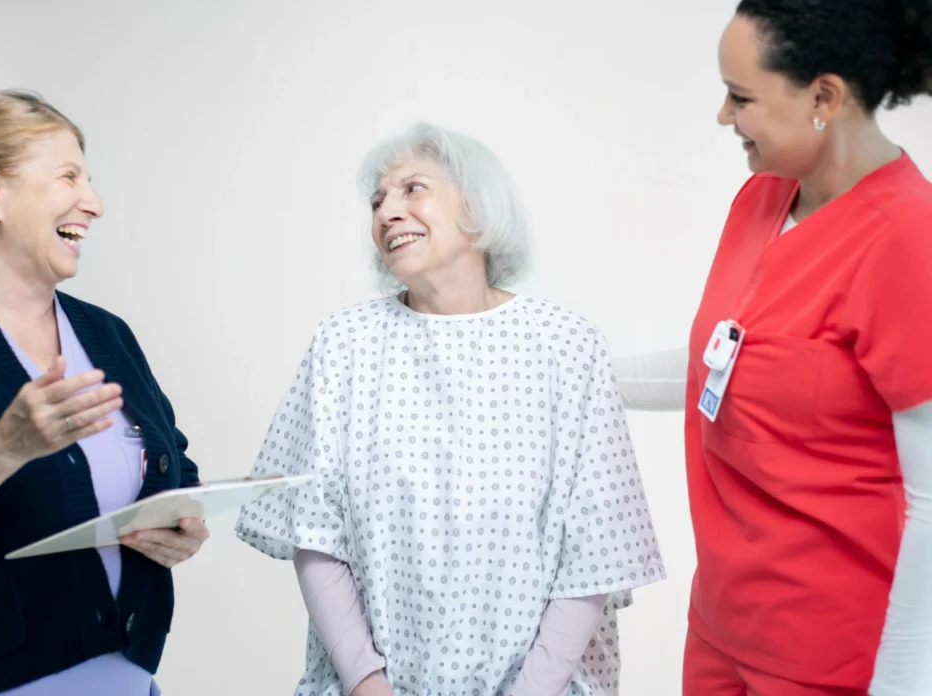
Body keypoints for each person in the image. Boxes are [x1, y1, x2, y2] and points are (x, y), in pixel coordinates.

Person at [234, 122, 666, 696]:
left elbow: (596, 553)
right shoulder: (344, 344)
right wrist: (366, 683)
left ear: (478, 208)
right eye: (377, 201)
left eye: (412, 188)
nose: (387, 212)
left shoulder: (567, 346)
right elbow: (313, 533)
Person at [614, 2, 932, 694]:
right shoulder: (762, 199)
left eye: (741, 97)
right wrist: (566, 371)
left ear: (824, 97)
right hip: (721, 629)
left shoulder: (909, 240)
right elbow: (723, 364)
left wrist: (900, 684)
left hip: (832, 658)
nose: (723, 116)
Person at [0, 90, 208, 695]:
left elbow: (172, 462)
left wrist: (183, 521)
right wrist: (4, 448)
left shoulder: (107, 333)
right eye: (69, 176)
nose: (94, 203)